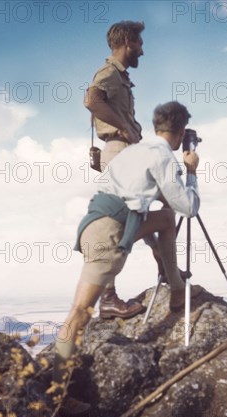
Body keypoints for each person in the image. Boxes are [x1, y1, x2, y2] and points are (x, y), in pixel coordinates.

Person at [53, 101, 202, 417]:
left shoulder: (134, 151)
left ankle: (176, 290)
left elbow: (156, 204)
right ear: (178, 133)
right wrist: (190, 172)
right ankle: (57, 396)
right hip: (110, 231)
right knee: (80, 312)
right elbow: (189, 207)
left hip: (96, 222)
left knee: (164, 219)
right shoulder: (162, 156)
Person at [83, 20, 145, 320]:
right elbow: (92, 100)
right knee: (118, 223)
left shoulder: (121, 78)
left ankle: (166, 270)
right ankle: (107, 297)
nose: (142, 51)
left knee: (132, 216)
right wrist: (125, 129)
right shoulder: (109, 73)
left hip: (121, 152)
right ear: (128, 41)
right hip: (119, 150)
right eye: (140, 44)